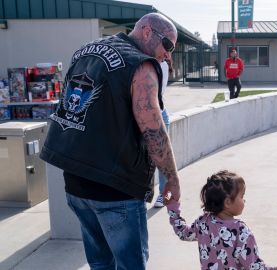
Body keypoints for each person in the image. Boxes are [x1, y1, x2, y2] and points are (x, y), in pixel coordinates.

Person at [40, 13, 180, 270]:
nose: (168, 55)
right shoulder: (141, 66)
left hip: (75, 183)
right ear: (147, 31)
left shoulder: (85, 51)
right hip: (116, 189)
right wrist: (171, 178)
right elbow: (154, 130)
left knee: (101, 264)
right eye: (168, 45)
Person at [165, 170, 277, 270]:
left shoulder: (203, 222)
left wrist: (173, 209)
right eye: (242, 196)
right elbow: (254, 267)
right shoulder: (240, 231)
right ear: (228, 202)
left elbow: (184, 233)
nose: (244, 200)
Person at [154, 59, 172, 208]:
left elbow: (156, 93)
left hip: (159, 115)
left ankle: (163, 194)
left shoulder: (162, 65)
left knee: (162, 160)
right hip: (144, 116)